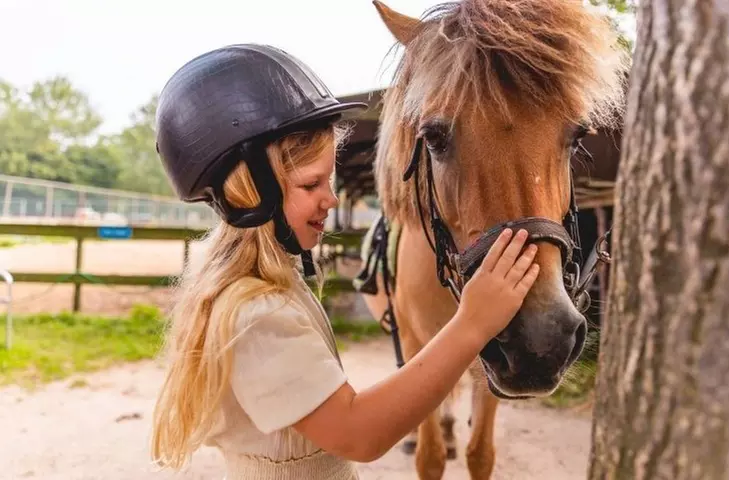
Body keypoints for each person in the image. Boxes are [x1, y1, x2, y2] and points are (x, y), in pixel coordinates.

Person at [149, 43, 541, 480]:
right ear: (251, 191)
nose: (331, 199)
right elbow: (358, 434)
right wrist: (471, 324)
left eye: (329, 182)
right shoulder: (255, 314)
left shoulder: (280, 286)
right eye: (312, 184)